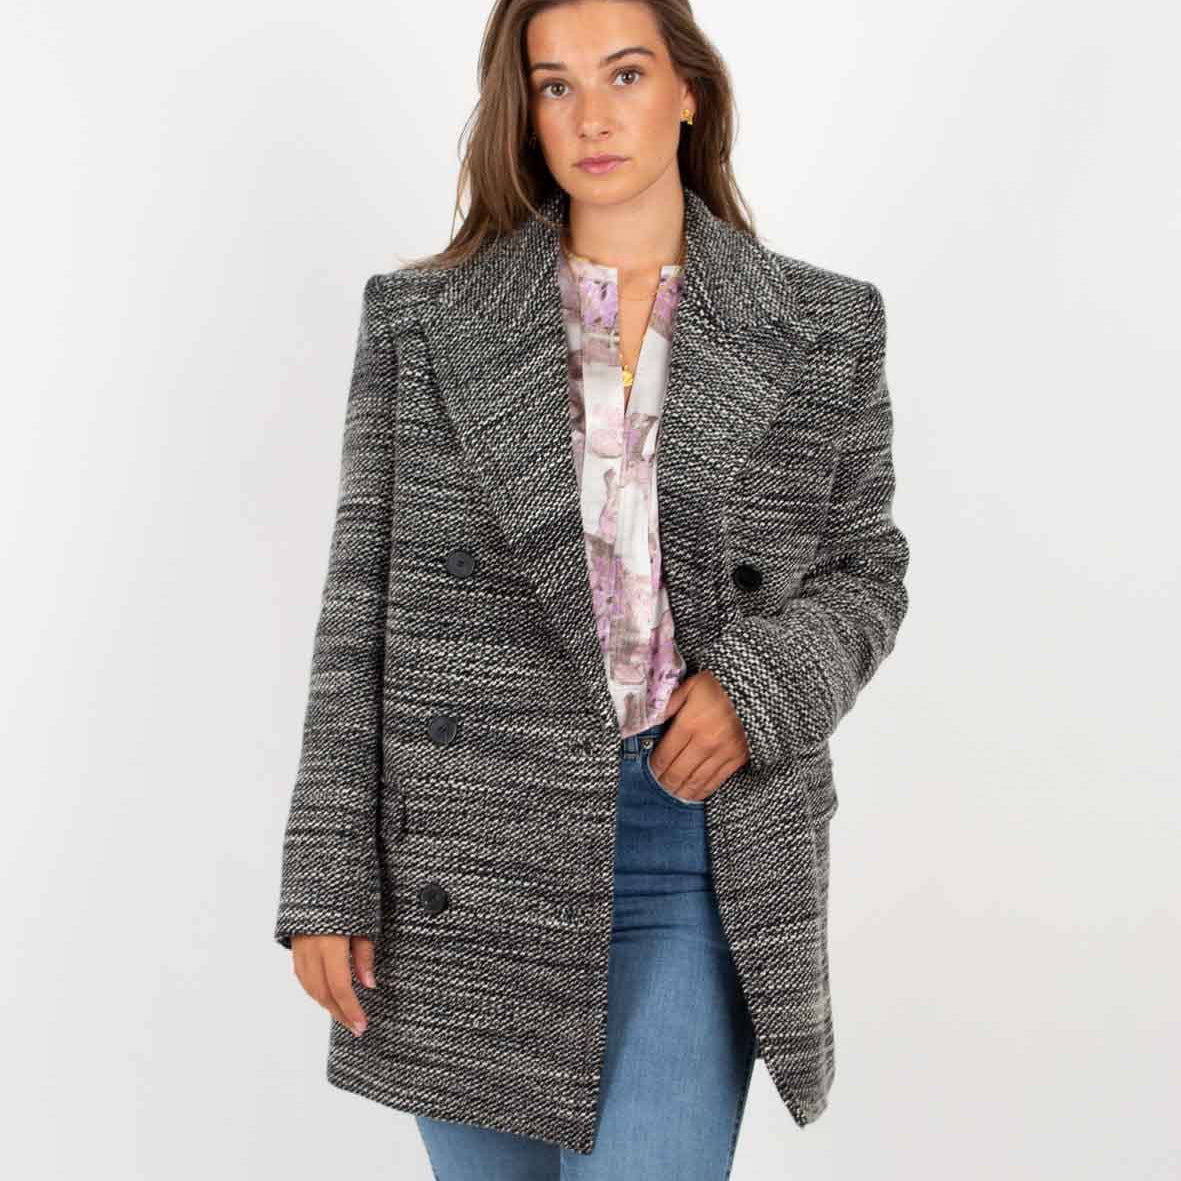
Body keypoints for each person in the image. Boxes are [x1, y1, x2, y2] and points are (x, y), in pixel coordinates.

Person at [273, 1, 910, 1176]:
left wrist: (756, 689)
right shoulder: (422, 323)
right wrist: (326, 876)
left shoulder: (822, 326)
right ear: (525, 113)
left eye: (624, 74)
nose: (591, 116)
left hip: (692, 835)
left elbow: (865, 571)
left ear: (688, 91)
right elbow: (356, 608)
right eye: (554, 86)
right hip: (470, 848)